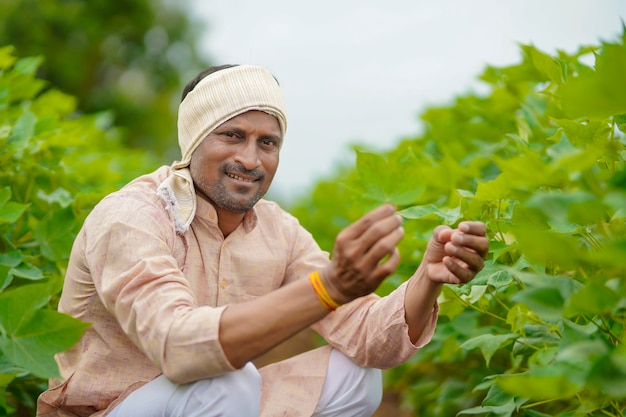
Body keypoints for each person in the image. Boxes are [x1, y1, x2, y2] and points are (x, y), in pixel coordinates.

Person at [37, 64, 488, 417]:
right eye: (232, 136)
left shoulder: (278, 230)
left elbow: (369, 336)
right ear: (192, 141)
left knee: (357, 376)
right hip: (113, 408)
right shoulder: (133, 217)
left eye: (267, 143)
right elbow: (178, 348)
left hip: (208, 404)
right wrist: (327, 289)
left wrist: (429, 279)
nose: (249, 159)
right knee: (226, 382)